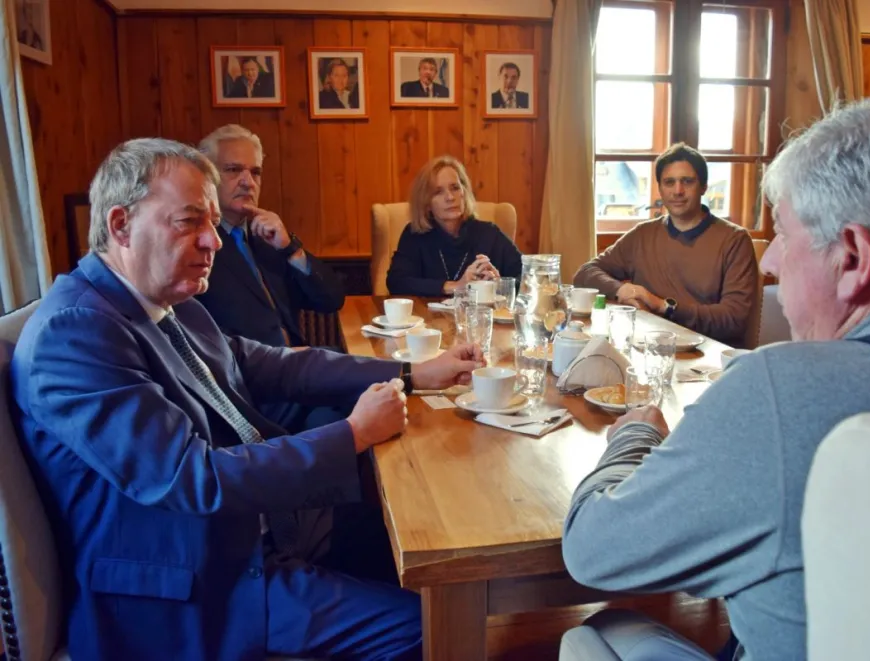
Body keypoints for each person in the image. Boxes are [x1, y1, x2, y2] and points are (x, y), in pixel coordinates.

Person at [11, 137, 485, 661]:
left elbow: (274, 363)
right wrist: (352, 433)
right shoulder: (75, 333)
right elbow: (195, 479)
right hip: (198, 585)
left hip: (256, 532)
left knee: (409, 530)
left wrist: (413, 371)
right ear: (121, 225)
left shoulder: (168, 298)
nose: (213, 241)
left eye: (212, 222)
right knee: (439, 627)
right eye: (189, 221)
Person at [561, 99, 870, 661]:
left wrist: (634, 436)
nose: (770, 265)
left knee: (595, 633)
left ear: (855, 257)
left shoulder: (781, 392)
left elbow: (594, 552)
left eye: (784, 235)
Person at [195, 124, 347, 432]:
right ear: (206, 176)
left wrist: (291, 248)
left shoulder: (265, 237)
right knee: (354, 417)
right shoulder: (198, 246)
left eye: (256, 172)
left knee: (383, 387)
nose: (247, 182)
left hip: (299, 376)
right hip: (255, 395)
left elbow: (330, 299)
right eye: (233, 169)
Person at [573, 143, 758, 347]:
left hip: (709, 354)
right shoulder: (642, 235)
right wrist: (622, 290)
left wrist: (663, 306)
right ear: (660, 188)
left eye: (687, 181)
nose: (678, 191)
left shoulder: (735, 240)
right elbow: (585, 274)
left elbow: (733, 319)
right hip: (647, 346)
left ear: (704, 186)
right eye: (669, 182)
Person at [386, 155, 522, 297]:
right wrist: (455, 286)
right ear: (426, 204)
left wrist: (500, 284)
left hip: (478, 318)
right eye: (438, 192)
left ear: (464, 193)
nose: (450, 197)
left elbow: (528, 276)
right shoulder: (415, 235)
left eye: (455, 188)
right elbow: (396, 282)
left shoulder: (489, 234)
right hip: (429, 318)